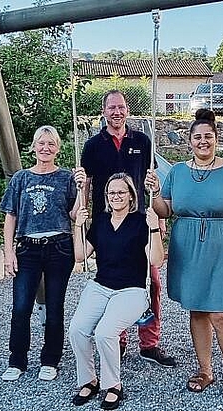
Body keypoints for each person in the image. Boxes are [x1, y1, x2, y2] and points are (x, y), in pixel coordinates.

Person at [145, 109, 223, 401]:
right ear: (190, 141)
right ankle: (205, 370)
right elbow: (165, 211)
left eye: (208, 136)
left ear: (216, 139)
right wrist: (155, 193)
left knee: (222, 313)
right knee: (197, 309)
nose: (203, 141)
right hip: (187, 246)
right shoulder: (178, 172)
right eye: (197, 137)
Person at [80, 89, 176, 367]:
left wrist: (158, 219)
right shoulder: (93, 146)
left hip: (139, 221)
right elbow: (86, 184)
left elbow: (150, 181)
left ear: (127, 110)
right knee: (113, 283)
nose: (116, 112)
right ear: (104, 112)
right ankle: (117, 339)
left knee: (152, 283)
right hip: (107, 224)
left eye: (121, 107)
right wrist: (81, 214)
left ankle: (149, 343)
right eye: (111, 108)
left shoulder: (143, 141)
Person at [68, 173, 165, 410]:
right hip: (100, 286)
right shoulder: (101, 221)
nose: (116, 196)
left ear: (132, 196)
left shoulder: (142, 221)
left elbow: (157, 260)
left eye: (122, 192)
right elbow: (80, 255)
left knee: (104, 333)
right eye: (112, 193)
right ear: (106, 196)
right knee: (77, 329)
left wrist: (154, 229)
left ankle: (113, 385)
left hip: (132, 290)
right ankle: (89, 380)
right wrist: (77, 225)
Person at [0, 125, 83, 382]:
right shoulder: (21, 178)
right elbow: (10, 217)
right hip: (28, 249)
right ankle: (17, 360)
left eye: (51, 144)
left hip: (59, 247)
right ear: (34, 147)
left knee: (55, 306)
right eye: (41, 143)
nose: (46, 148)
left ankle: (50, 359)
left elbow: (75, 214)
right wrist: (8, 252)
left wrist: (83, 188)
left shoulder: (66, 177)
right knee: (21, 306)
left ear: (57, 148)